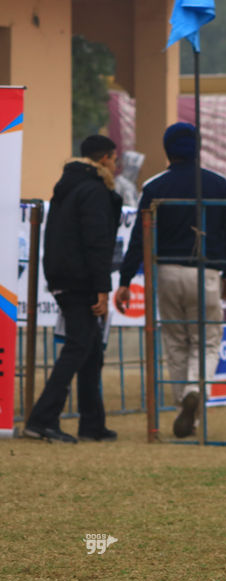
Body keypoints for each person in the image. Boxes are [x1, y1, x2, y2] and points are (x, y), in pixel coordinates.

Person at [115, 122, 226, 438]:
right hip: (206, 271)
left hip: (167, 272)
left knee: (175, 341)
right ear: (199, 147)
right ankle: (194, 395)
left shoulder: (154, 187)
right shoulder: (219, 185)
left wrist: (125, 279)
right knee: (207, 341)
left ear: (167, 150)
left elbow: (139, 238)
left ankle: (184, 404)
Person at [24, 135, 123, 443]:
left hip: (62, 276)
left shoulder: (68, 186)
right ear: (105, 158)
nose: (116, 166)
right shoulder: (94, 191)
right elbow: (97, 242)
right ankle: (42, 419)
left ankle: (92, 423)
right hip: (81, 280)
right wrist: (102, 288)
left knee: (90, 350)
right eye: (115, 160)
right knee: (79, 346)